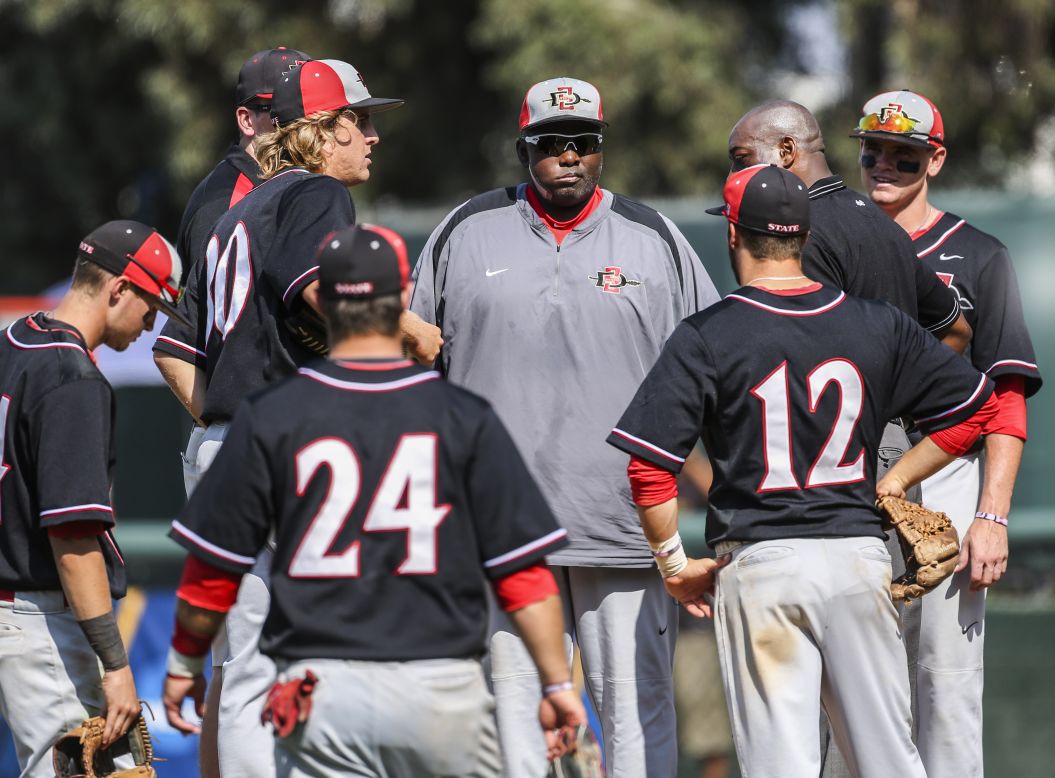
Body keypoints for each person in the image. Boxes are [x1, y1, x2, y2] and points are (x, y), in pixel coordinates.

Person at [606, 164, 1005, 778]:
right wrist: (896, 480)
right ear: (803, 235)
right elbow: (978, 409)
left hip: (762, 564)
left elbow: (649, 470)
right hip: (856, 558)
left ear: (734, 234)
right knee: (891, 761)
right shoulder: (877, 322)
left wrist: (676, 566)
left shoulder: (707, 333)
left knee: (780, 765)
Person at [162, 224, 586, 777]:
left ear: (324, 301)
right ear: (404, 296)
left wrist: (185, 662)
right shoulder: (462, 416)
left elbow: (213, 568)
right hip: (438, 690)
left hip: (321, 693)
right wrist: (555, 680)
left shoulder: (271, 416)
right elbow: (523, 574)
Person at [410, 76, 721, 777]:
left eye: (583, 143)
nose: (570, 157)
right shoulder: (466, 229)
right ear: (524, 150)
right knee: (509, 714)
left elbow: (716, 369)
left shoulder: (654, 238)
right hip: (497, 526)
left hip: (622, 524)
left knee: (635, 711)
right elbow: (409, 360)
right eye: (552, 144)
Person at [157, 58, 438, 778]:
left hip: (227, 446)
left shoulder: (234, 213)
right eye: (360, 121)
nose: (372, 136)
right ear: (322, 130)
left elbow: (178, 347)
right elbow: (318, 285)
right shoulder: (315, 196)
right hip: (286, 452)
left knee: (250, 666)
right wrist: (407, 334)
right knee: (319, 654)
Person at [853, 88, 1043, 778]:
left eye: (902, 154)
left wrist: (990, 516)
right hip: (847, 475)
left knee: (944, 679)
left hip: (945, 473)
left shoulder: (978, 255)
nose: (881, 163)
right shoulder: (828, 245)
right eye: (870, 149)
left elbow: (1008, 396)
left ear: (932, 159)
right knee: (846, 686)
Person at [152, 46, 310, 778]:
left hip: (266, 447)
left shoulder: (289, 194)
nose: (304, 132)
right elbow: (175, 348)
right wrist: (225, 425)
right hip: (250, 449)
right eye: (290, 119)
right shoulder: (228, 203)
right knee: (249, 660)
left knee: (261, 660)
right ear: (249, 119)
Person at [0, 221, 185, 777]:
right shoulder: (73, 377)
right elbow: (73, 536)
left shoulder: (16, 340)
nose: (152, 323)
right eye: (151, 305)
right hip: (41, 618)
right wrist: (115, 662)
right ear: (119, 288)